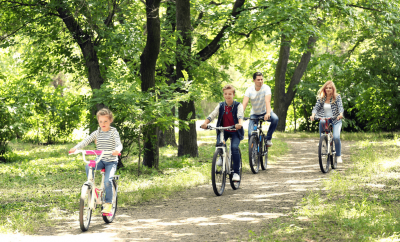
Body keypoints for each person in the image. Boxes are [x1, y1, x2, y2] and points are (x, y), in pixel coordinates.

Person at [69, 108, 123, 214]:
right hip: (100, 159)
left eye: (105, 121)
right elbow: (86, 141)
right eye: (100, 121)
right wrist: (76, 148)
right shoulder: (97, 132)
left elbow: (118, 143)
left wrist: (117, 150)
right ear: (98, 121)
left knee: (108, 181)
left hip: (111, 161)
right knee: (88, 165)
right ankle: (92, 188)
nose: (103, 123)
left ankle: (108, 204)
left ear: (110, 120)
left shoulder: (113, 132)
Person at [201, 84, 244, 181]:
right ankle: (221, 156)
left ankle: (236, 173)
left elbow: (240, 116)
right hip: (223, 130)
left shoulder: (238, 105)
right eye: (225, 94)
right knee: (219, 144)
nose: (227, 96)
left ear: (233, 94)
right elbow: (213, 114)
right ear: (223, 95)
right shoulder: (220, 105)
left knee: (234, 148)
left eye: (230, 94)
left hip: (235, 130)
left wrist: (239, 124)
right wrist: (205, 123)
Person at [310, 81, 344, 163]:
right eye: (327, 88)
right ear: (324, 89)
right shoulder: (322, 98)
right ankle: (323, 140)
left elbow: (340, 107)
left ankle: (338, 155)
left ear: (333, 89)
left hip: (336, 119)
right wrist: (313, 115)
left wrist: (341, 114)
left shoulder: (337, 97)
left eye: (330, 88)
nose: (328, 89)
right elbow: (316, 108)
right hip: (325, 119)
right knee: (321, 122)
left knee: (336, 137)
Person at [242, 72, 279, 146]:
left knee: (275, 119)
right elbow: (245, 103)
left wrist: (268, 113)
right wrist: (240, 114)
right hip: (255, 114)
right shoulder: (249, 90)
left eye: (261, 79)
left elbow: (267, 101)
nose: (260, 81)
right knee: (250, 133)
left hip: (266, 112)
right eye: (258, 80)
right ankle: (253, 152)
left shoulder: (266, 88)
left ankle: (268, 139)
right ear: (254, 80)